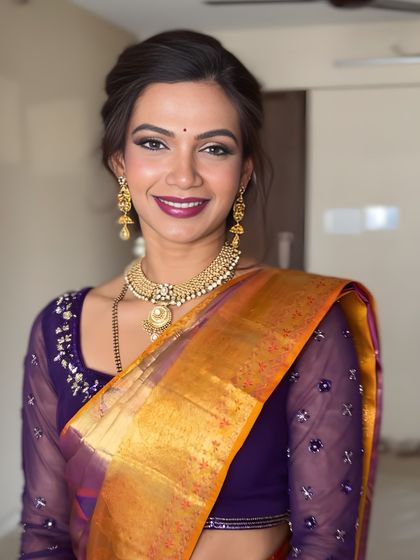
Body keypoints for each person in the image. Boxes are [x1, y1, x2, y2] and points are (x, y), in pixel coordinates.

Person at [19, 30, 381, 560]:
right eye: (154, 143)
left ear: (244, 171)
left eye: (214, 148)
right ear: (119, 161)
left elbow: (326, 543)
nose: (184, 174)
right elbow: (45, 532)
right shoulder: (60, 325)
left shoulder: (304, 323)